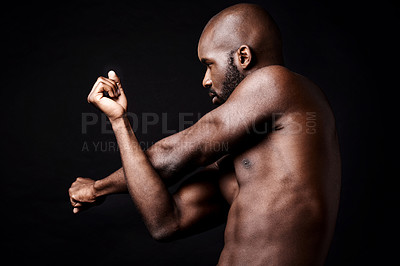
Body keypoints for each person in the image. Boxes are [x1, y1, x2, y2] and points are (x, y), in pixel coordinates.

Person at [69, 3, 341, 265]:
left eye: (209, 64)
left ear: (243, 57)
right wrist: (119, 122)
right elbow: (166, 222)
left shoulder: (277, 81)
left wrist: (96, 188)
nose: (205, 80)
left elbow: (172, 156)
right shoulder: (248, 165)